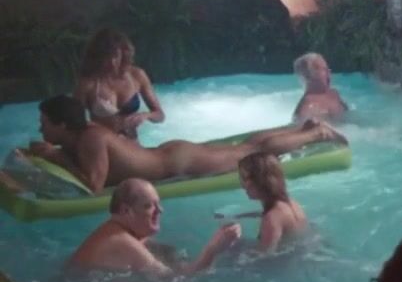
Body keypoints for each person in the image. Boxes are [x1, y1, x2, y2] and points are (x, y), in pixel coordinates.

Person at [28, 95, 344, 194]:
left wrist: (55, 157)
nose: (40, 127)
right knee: (245, 146)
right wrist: (54, 153)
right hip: (173, 154)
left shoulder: (91, 138)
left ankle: (316, 134)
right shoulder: (85, 135)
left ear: (62, 125)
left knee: (251, 153)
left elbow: (93, 186)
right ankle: (304, 128)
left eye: (44, 122)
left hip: (179, 163)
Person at [66, 179, 242, 275]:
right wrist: (212, 249)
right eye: (149, 206)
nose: (160, 210)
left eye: (158, 203)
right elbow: (176, 281)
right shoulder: (122, 242)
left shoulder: (119, 230)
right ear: (126, 211)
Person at [74, 28, 164, 139]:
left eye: (115, 56)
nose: (112, 62)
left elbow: (160, 115)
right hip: (104, 143)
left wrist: (145, 115)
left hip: (131, 143)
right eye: (107, 57)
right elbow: (74, 122)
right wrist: (96, 129)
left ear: (124, 53)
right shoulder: (88, 83)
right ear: (97, 57)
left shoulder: (137, 75)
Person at [214, 152, 309, 253]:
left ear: (258, 181)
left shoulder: (271, 219)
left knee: (230, 249)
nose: (243, 185)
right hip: (303, 250)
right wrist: (238, 216)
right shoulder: (291, 203)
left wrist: (224, 243)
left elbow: (264, 257)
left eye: (244, 178)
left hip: (287, 260)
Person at [293, 52, 349, 123]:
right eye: (324, 69)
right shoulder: (307, 107)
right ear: (308, 76)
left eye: (328, 69)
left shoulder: (334, 94)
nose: (329, 72)